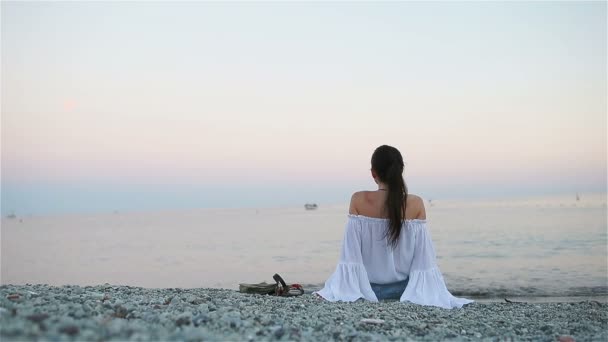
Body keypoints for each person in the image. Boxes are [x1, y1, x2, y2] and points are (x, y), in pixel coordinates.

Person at [314, 145, 473, 309]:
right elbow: (423, 260)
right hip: (405, 291)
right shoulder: (416, 203)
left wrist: (340, 288)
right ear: (400, 171)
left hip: (365, 290)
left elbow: (350, 256)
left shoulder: (358, 200)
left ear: (373, 173)